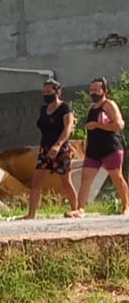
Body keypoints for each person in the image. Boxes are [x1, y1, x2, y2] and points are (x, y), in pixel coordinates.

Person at [70, 76, 129, 217]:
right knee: (86, 179)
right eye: (91, 90)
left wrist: (98, 125)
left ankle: (126, 206)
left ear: (104, 90)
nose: (93, 93)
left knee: (117, 177)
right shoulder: (91, 108)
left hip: (110, 147)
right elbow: (89, 129)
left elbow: (119, 125)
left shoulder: (109, 105)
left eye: (96, 90)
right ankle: (80, 209)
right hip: (93, 150)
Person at [24, 78, 77, 219]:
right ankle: (31, 214)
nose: (46, 95)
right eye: (44, 92)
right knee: (36, 181)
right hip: (45, 149)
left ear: (57, 92)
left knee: (65, 181)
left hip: (61, 149)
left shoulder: (65, 108)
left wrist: (58, 145)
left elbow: (68, 128)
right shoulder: (43, 109)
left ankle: (76, 210)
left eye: (49, 92)